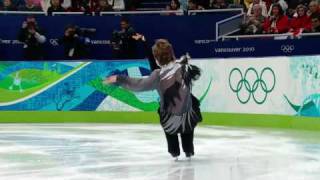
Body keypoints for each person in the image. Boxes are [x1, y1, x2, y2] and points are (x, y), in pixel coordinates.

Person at [104, 37, 202, 160]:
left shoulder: (158, 75)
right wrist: (184, 63)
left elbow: (138, 85)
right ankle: (188, 151)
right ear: (172, 54)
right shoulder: (184, 68)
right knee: (188, 114)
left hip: (170, 117)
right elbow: (196, 73)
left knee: (168, 120)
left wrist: (119, 78)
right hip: (188, 115)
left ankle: (174, 152)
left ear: (156, 60)